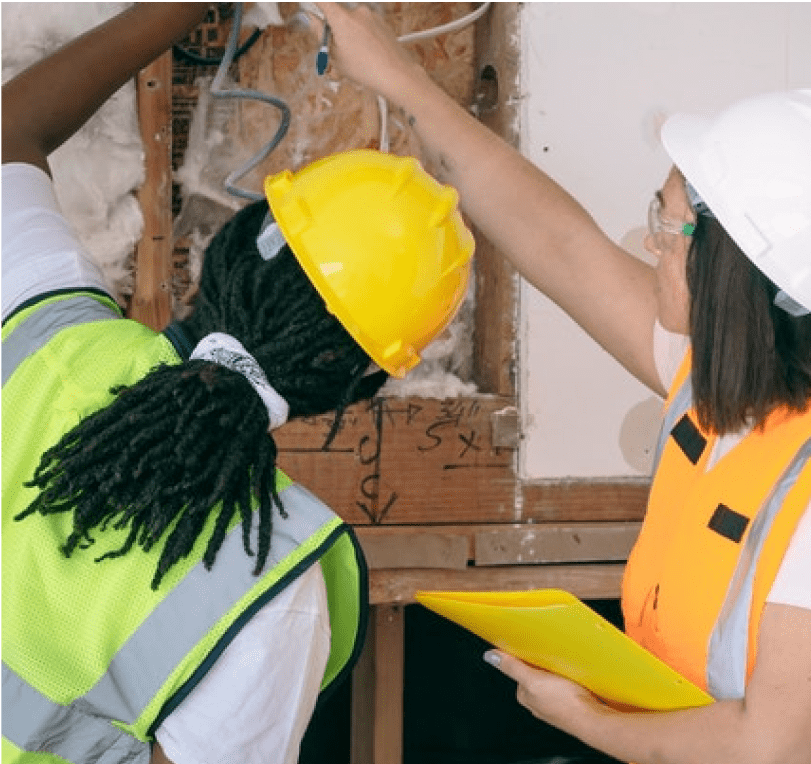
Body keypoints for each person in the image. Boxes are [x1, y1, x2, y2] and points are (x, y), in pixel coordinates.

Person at [308, 4, 811, 764]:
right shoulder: (727, 393)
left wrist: (584, 718)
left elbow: (772, 751)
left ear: (734, 270)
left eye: (670, 222)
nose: (652, 240)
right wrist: (399, 78)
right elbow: (560, 243)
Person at [0, 4, 474, 763]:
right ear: (359, 384)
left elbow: (9, 133)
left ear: (222, 254)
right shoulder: (266, 581)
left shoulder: (44, 334)